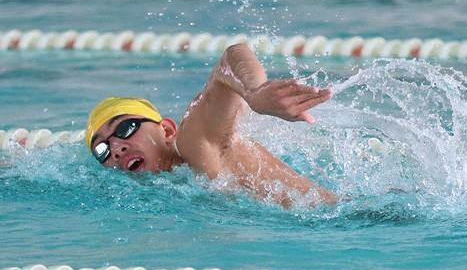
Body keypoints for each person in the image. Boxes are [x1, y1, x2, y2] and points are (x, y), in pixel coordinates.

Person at [85, 43, 337, 209]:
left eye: (125, 128)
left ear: (167, 130)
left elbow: (232, 56)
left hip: (342, 219)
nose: (115, 147)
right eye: (102, 150)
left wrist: (254, 92)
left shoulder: (193, 143)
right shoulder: (176, 187)